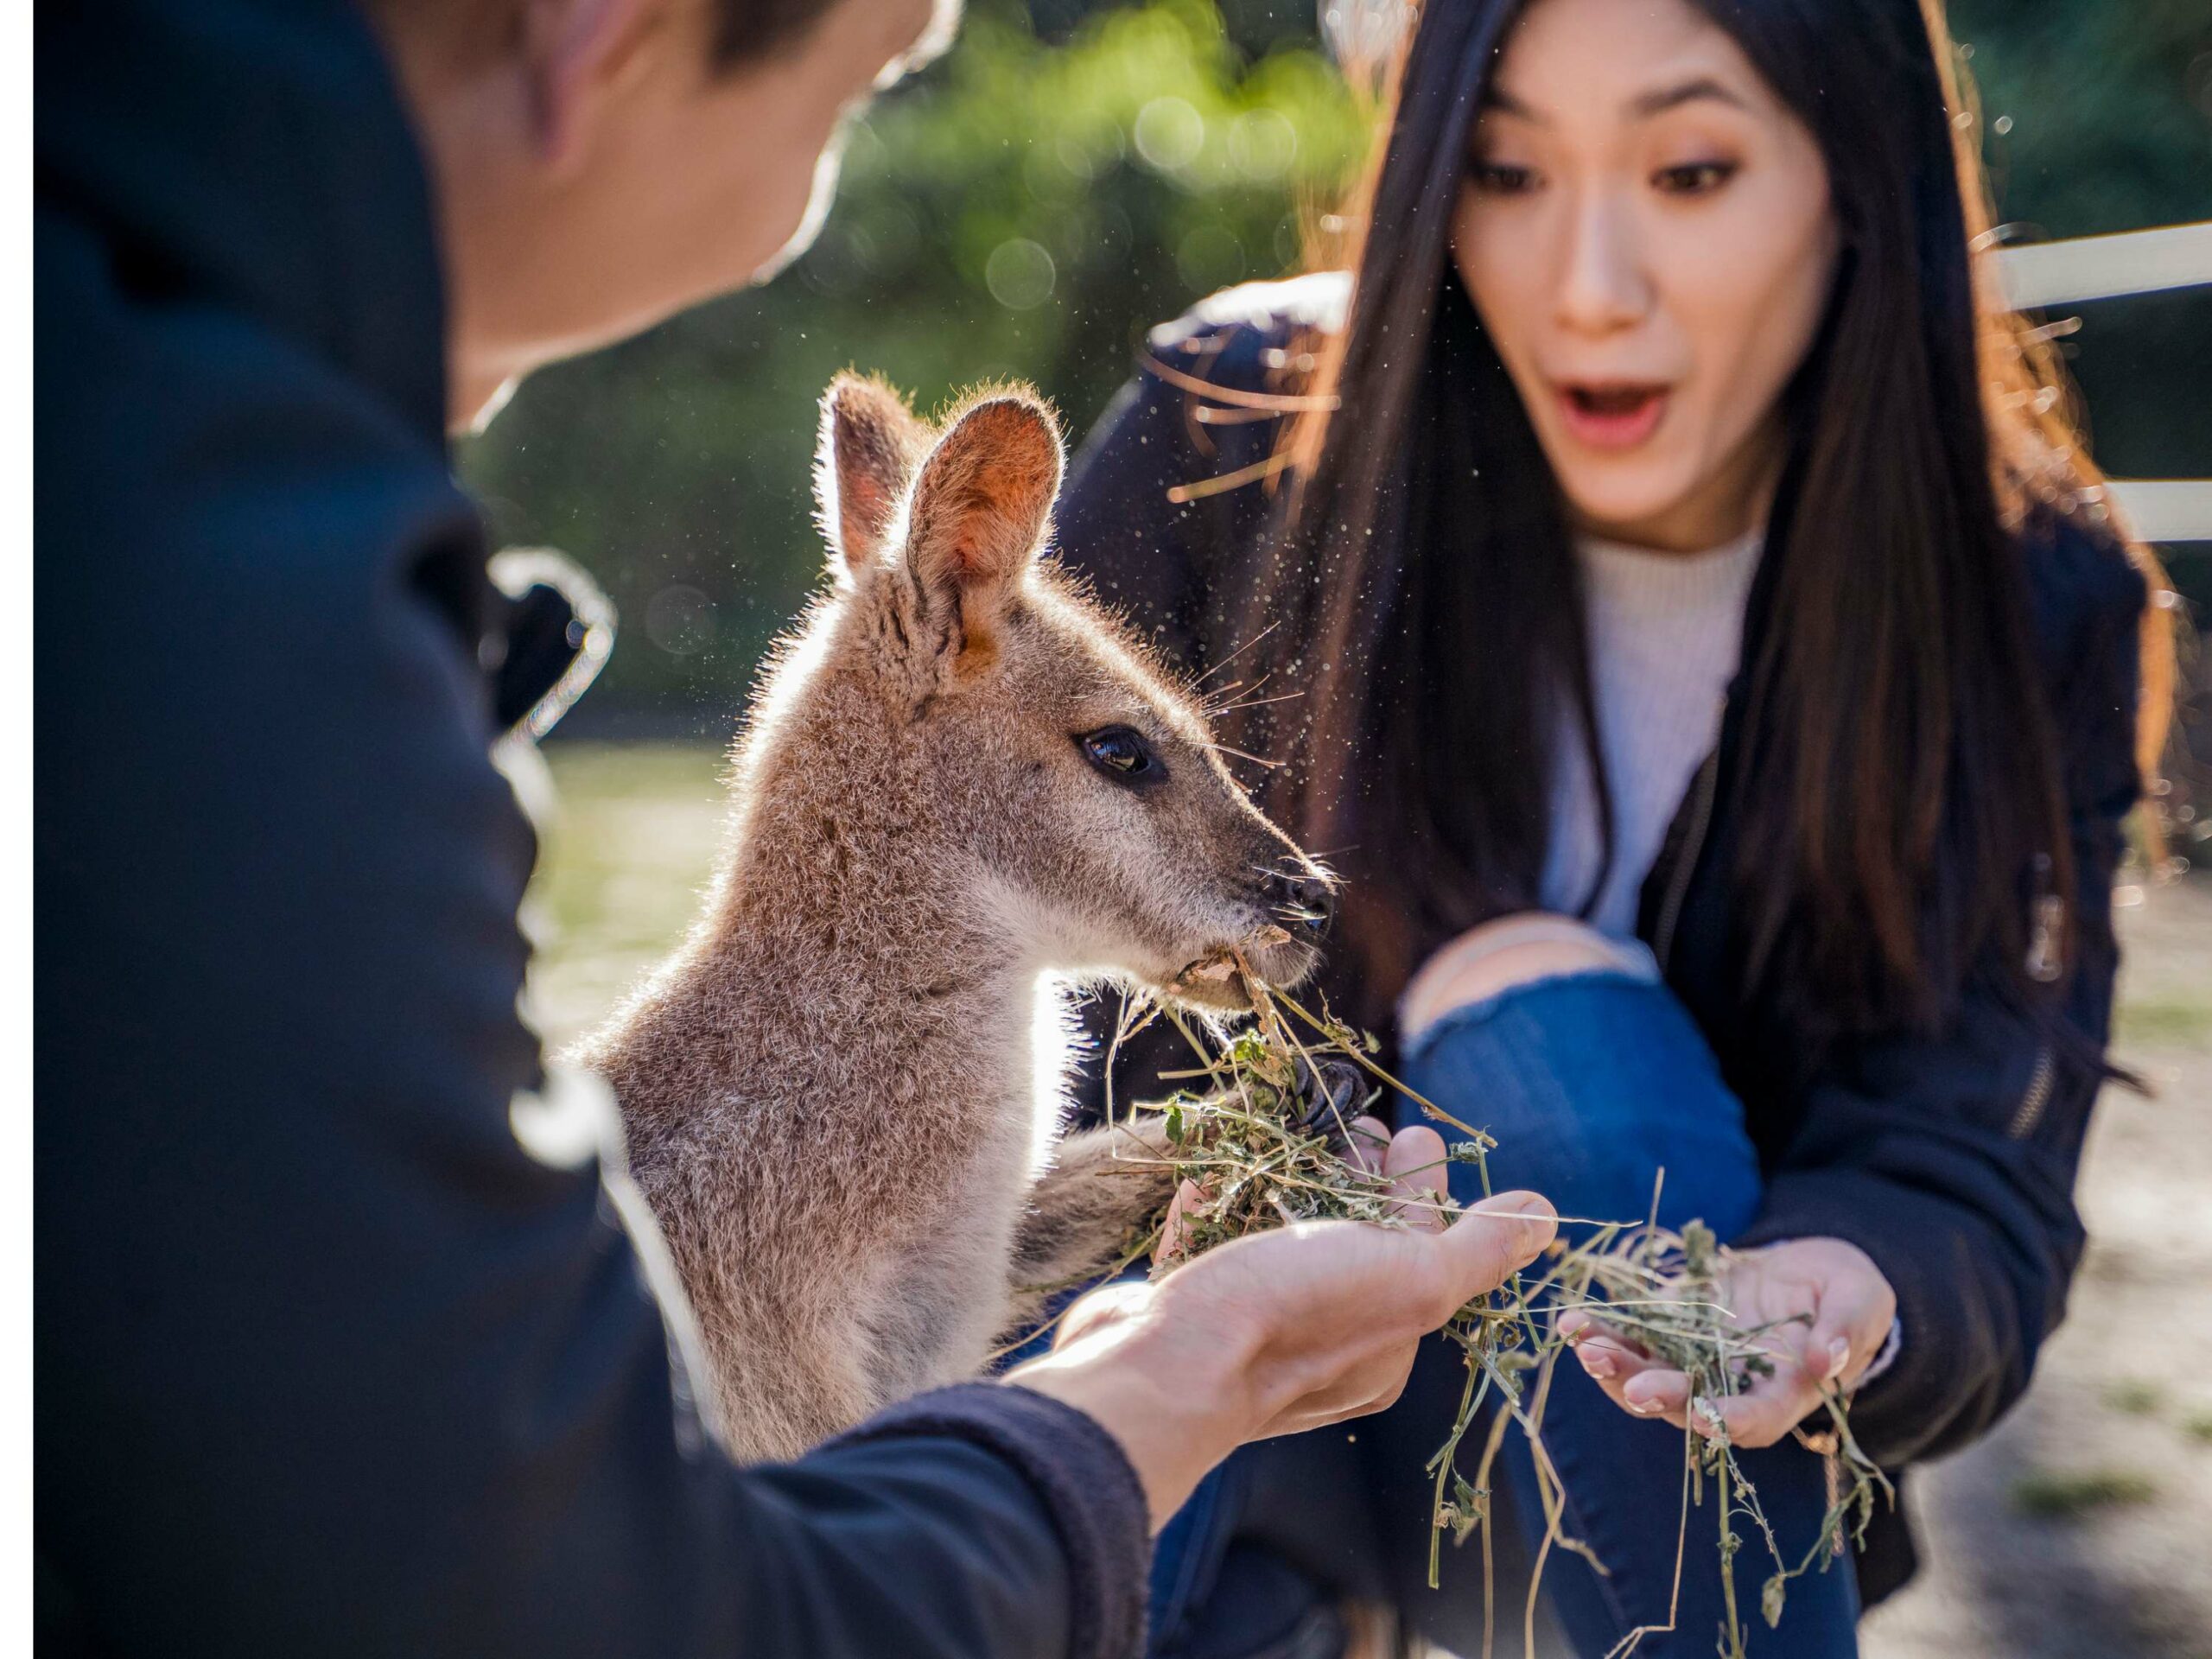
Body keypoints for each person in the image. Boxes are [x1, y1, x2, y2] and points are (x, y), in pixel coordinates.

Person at [33, 0, 1562, 1655]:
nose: (812, 204)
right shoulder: (222, 636)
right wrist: (1181, 1385)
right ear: (602, 36)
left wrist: (1174, 1200)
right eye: (862, 91)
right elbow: (689, 1585)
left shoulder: (145, 428)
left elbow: (922, 1308)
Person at [1053, 0, 2173, 1654]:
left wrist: (1848, 1283)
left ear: (1855, 175)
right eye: (1506, 170)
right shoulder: (1231, 439)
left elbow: (1971, 1165)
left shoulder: (2030, 597)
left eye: (1691, 170)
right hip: (1201, 1380)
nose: (1588, 285)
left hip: (1647, 1448)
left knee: (1570, 1058)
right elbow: (1002, 1006)